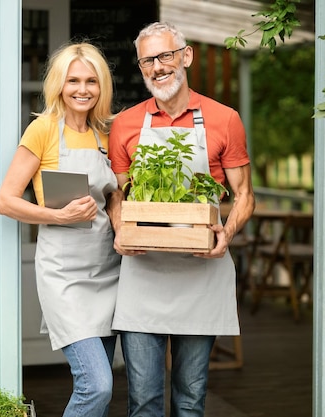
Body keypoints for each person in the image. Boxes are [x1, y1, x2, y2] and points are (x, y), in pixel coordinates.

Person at [107, 22, 255, 417]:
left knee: (190, 400)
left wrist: (227, 232)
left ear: (185, 56)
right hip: (144, 272)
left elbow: (244, 196)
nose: (157, 68)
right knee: (143, 401)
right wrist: (120, 228)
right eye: (146, 62)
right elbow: (119, 196)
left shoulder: (224, 119)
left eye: (165, 56)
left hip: (201, 271)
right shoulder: (125, 124)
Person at [0, 42, 120, 417]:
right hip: (64, 275)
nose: (83, 89)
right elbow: (5, 200)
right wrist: (60, 216)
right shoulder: (43, 130)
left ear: (102, 87)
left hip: (108, 270)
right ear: (59, 85)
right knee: (96, 386)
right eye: (73, 81)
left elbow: (113, 195)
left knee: (105, 386)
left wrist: (118, 213)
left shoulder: (106, 135)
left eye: (91, 81)